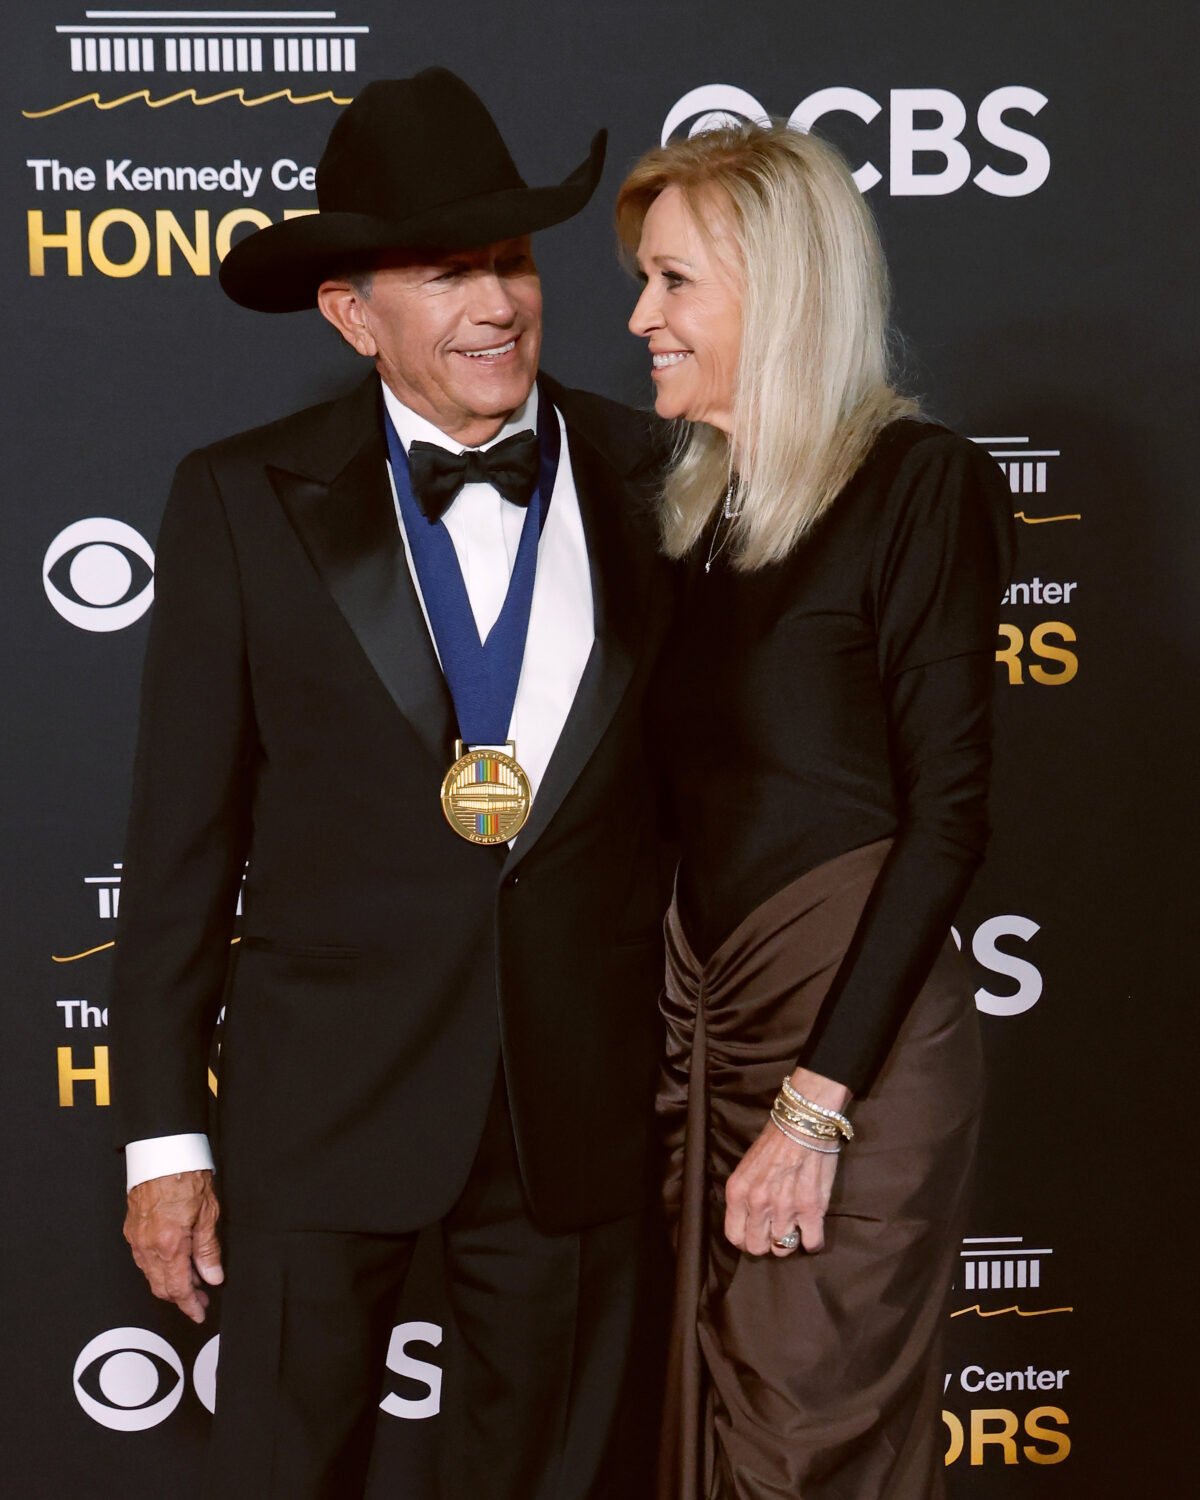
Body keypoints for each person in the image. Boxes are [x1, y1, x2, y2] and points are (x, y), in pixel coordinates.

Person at [111, 68, 673, 1500]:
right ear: (353, 315)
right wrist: (164, 1136)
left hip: (576, 1112)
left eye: (511, 261)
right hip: (319, 1113)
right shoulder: (238, 497)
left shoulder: (662, 475)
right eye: (445, 274)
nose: (498, 305)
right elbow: (180, 845)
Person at [617, 121, 1014, 1498]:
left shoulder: (923, 486)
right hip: (704, 1044)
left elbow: (948, 819)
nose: (639, 317)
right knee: (690, 1440)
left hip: (849, 1057)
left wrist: (816, 1109)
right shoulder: (694, 519)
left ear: (775, 290)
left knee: (796, 1449)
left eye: (674, 282)